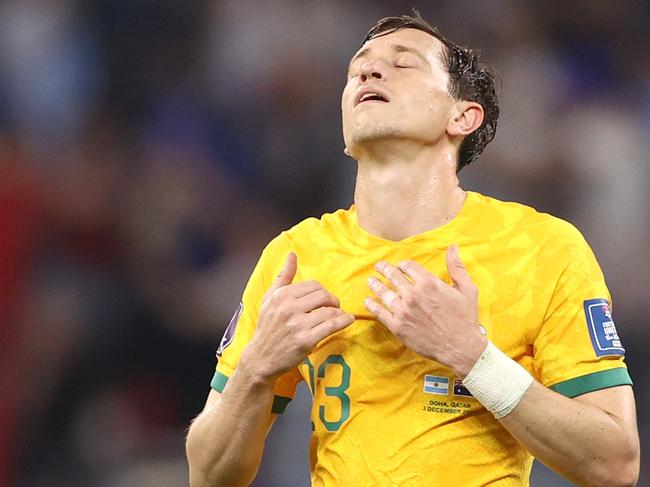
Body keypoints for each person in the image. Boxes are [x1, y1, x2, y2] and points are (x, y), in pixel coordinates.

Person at [185, 13, 640, 487]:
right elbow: (208, 475)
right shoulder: (296, 258)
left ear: (462, 115)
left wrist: (472, 357)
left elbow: (615, 463)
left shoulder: (542, 248)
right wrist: (256, 368)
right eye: (356, 68)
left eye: (403, 64)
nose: (368, 72)